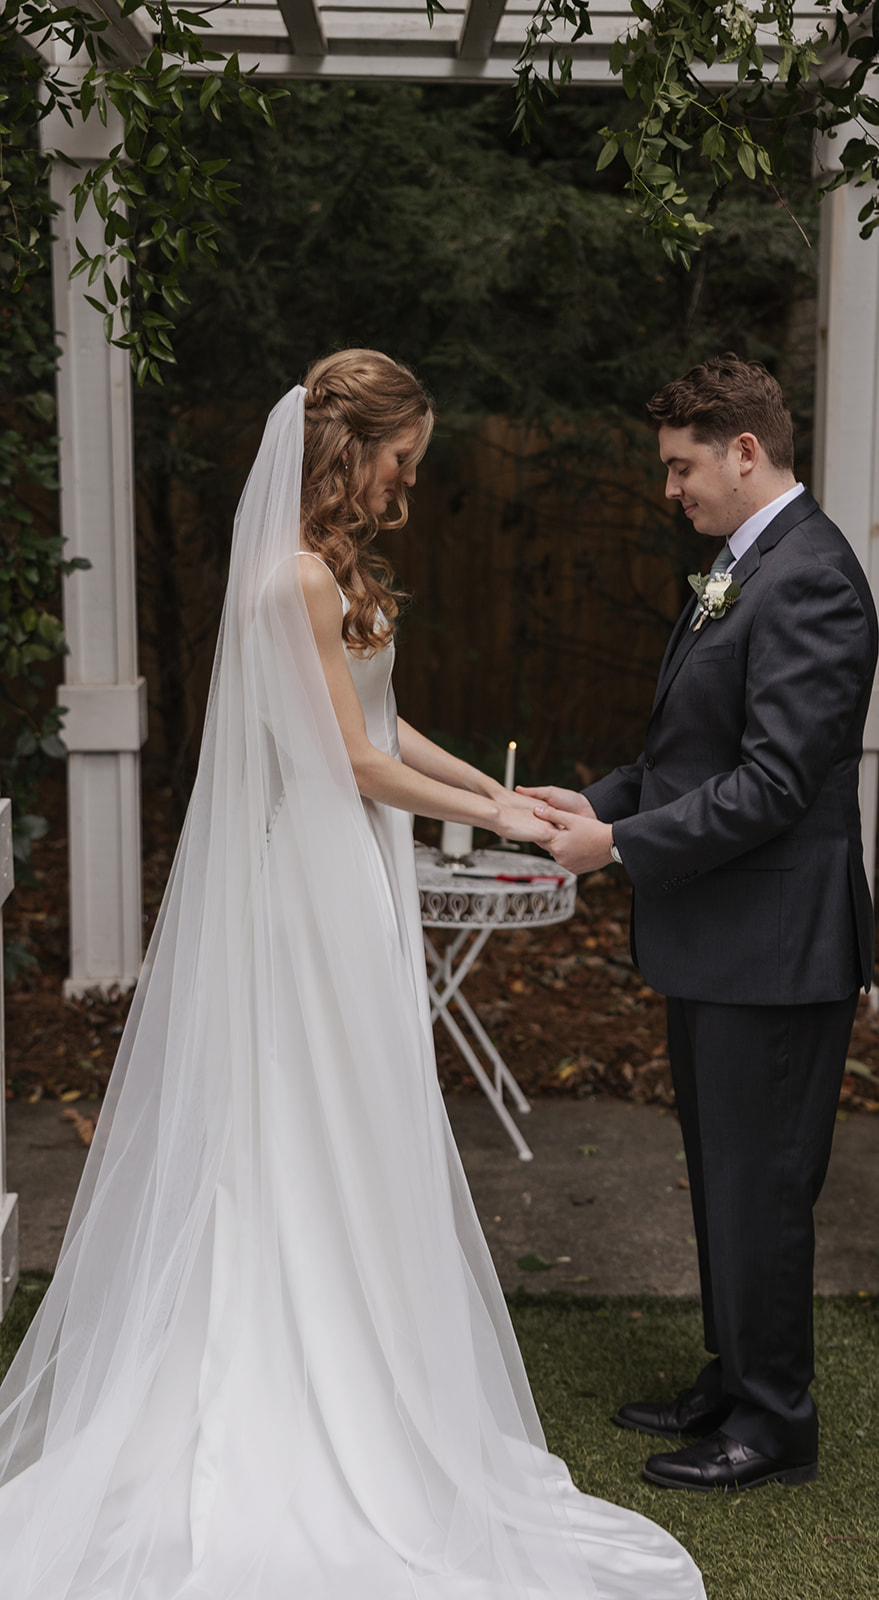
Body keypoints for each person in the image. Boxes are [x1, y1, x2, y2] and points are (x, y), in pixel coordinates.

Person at [0, 350, 706, 1598]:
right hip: (311, 875)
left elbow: (388, 722)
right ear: (351, 450)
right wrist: (488, 824)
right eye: (402, 462)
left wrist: (501, 788)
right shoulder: (289, 582)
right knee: (309, 1107)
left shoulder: (338, 572)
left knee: (367, 1107)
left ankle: (370, 1355)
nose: (407, 484)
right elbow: (354, 763)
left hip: (356, 862)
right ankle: (291, 1362)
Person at [523, 354, 878, 1494]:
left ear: (743, 451)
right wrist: (604, 799)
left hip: (773, 948)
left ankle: (774, 1424)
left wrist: (618, 849)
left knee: (762, 1183)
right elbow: (695, 753)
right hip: (722, 941)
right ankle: (731, 1377)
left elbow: (772, 783)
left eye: (681, 466)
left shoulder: (809, 577)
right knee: (724, 1172)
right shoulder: (744, 566)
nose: (668, 488)